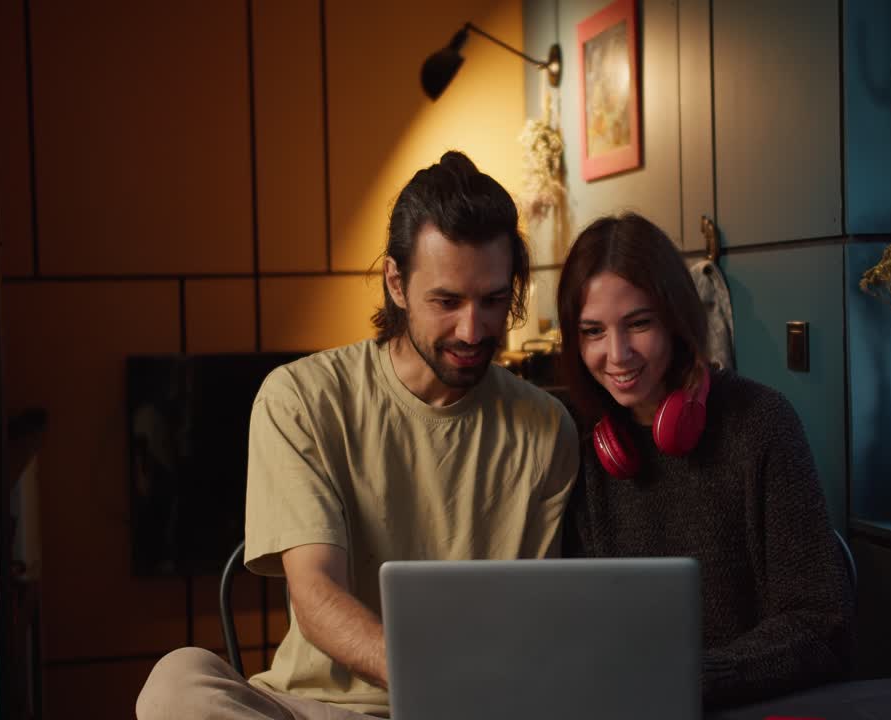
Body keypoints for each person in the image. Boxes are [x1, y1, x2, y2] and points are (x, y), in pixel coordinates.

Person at [137, 151, 580, 719]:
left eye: (493, 300)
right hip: (316, 709)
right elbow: (318, 596)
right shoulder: (300, 398)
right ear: (396, 283)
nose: (473, 329)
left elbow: (535, 619)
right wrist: (432, 679)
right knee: (176, 683)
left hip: (472, 709)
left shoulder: (547, 428)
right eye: (446, 302)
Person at [556, 213, 854, 708]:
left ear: (677, 319)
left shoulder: (762, 422)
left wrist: (694, 678)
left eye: (639, 323)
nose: (617, 354)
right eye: (592, 331)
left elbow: (823, 625)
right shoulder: (581, 442)